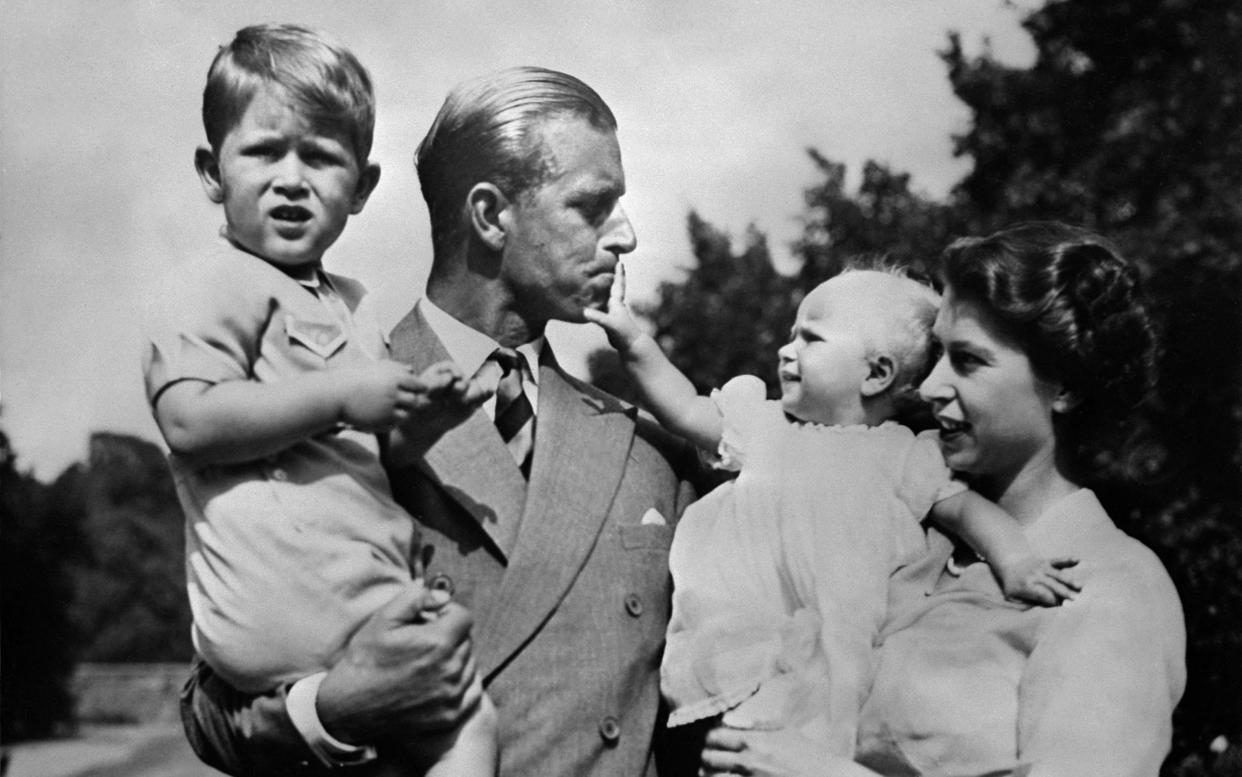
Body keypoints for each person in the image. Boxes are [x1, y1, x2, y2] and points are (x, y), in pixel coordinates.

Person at [177, 65, 701, 777]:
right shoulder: (319, 407)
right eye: (592, 205)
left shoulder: (650, 451)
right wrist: (332, 708)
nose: (627, 235)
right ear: (490, 215)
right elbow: (210, 705)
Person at [700, 222, 1186, 777]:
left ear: (1065, 386)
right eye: (936, 357)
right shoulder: (909, 538)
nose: (929, 387)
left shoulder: (1112, 586)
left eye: (968, 360)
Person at [143, 24, 498, 775]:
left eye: (322, 157)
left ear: (362, 188)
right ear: (213, 171)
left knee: (470, 723)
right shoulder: (212, 282)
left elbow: (368, 451)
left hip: (362, 594)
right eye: (265, 151)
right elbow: (188, 420)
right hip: (280, 607)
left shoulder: (352, 302)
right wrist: (344, 392)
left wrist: (418, 425)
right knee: (462, 721)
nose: (292, 178)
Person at [587, 263, 1078, 758]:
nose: (786, 350)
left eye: (811, 339)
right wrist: (633, 342)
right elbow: (686, 409)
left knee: (804, 753)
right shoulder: (767, 425)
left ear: (876, 373)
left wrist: (1017, 563)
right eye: (791, 335)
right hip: (740, 647)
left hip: (839, 660)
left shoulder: (905, 456)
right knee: (730, 753)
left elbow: (969, 514)